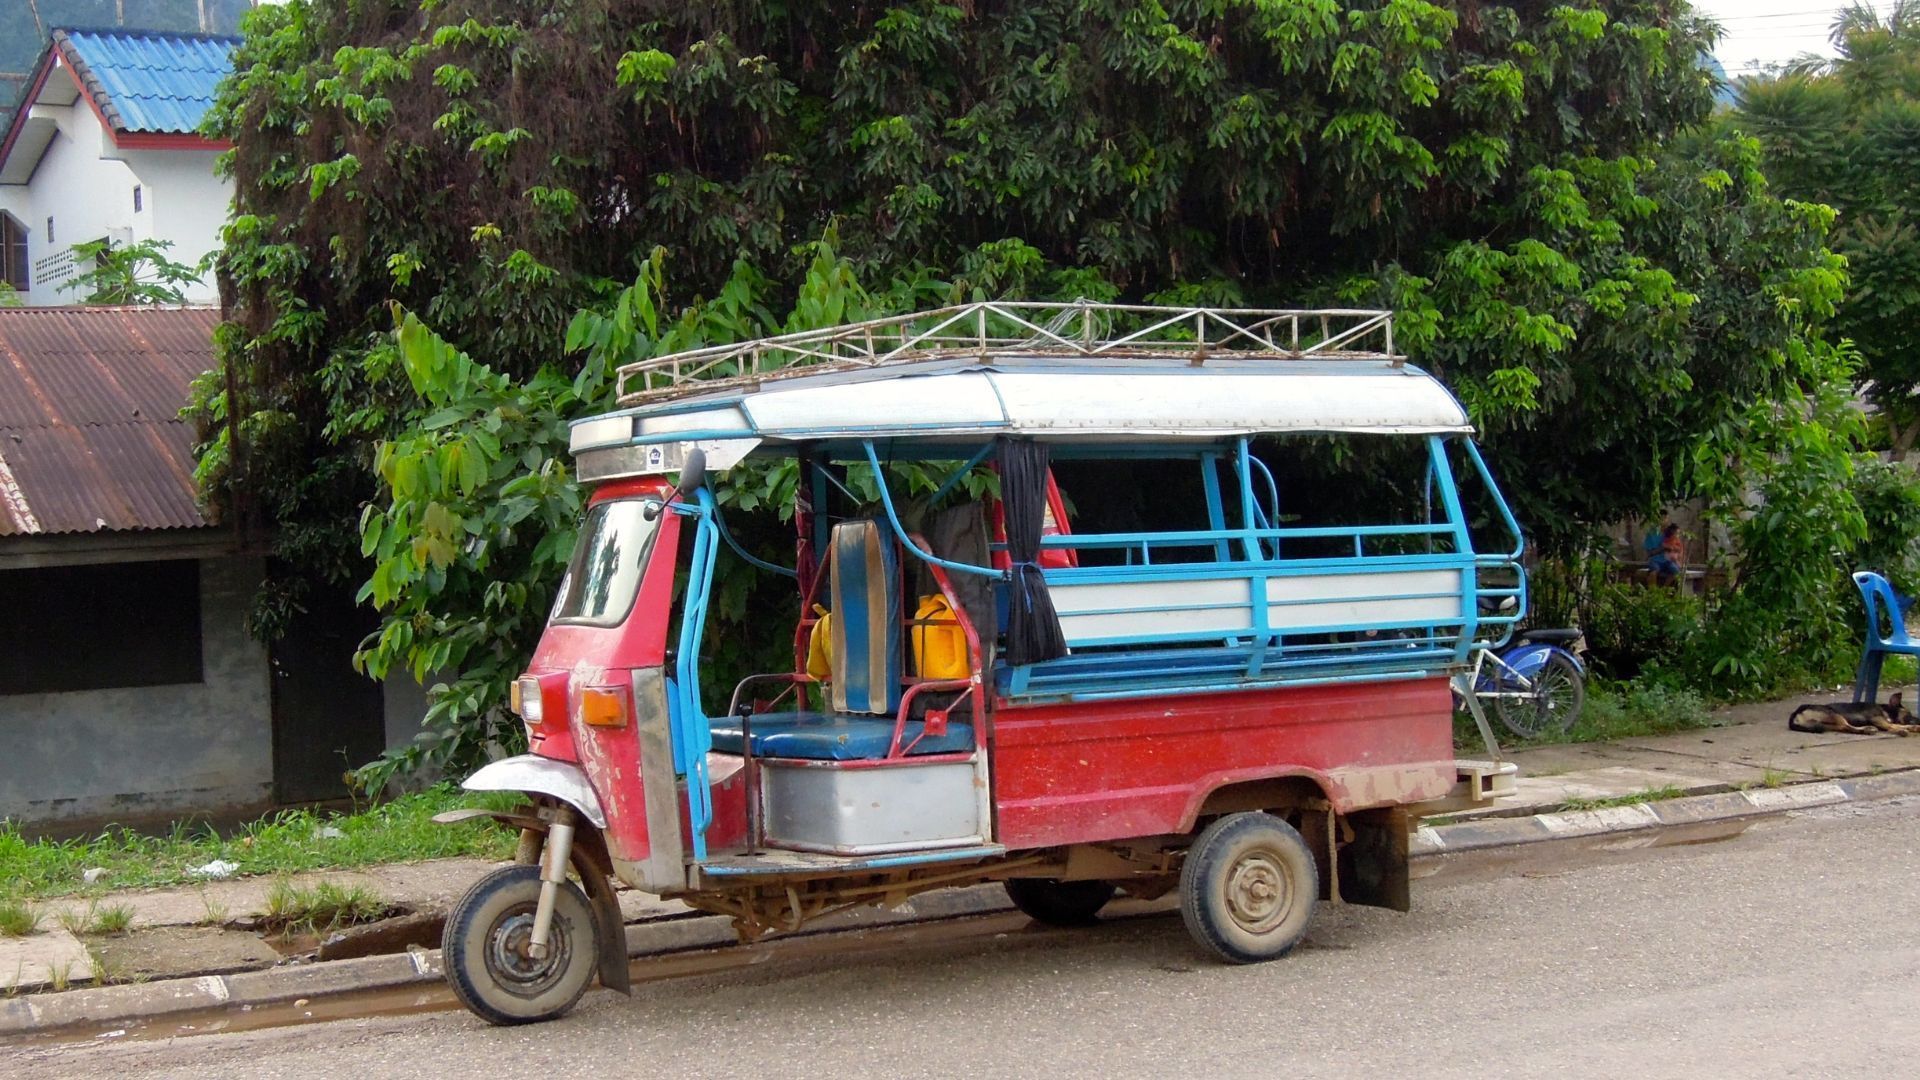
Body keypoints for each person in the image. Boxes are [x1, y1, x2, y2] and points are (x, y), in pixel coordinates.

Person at [1646, 522, 1684, 587]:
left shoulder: (1676, 541)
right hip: (1656, 560)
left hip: (1668, 561)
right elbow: (1650, 552)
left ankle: (1664, 589)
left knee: (1676, 572)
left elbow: (1680, 551)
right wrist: (1664, 548)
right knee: (1654, 572)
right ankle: (1653, 590)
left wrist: (1678, 560)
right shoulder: (1654, 536)